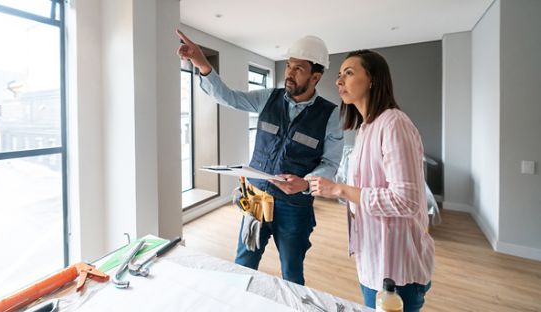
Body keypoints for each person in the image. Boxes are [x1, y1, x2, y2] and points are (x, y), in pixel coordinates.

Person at [176, 29, 343, 286]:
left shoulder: (330, 115)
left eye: (298, 68)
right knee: (243, 264)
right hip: (256, 197)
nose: (289, 73)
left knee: (292, 273)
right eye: (288, 66)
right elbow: (229, 97)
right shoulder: (269, 98)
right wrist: (201, 63)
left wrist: (307, 183)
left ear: (316, 76)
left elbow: (330, 163)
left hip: (294, 207)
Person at [306, 50, 435, 311]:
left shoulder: (394, 123)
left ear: (373, 79)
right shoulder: (366, 128)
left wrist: (340, 189)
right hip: (372, 261)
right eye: (339, 75)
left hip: (397, 272)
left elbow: (407, 200)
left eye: (349, 73)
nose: (339, 80)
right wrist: (334, 190)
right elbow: (365, 191)